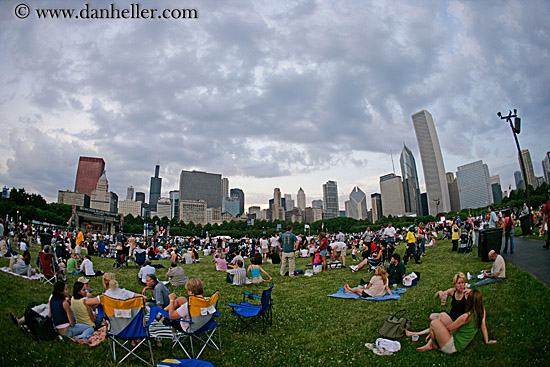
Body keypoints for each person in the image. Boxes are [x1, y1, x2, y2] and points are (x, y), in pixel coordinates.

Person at [412, 289, 497, 353]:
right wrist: (487, 341)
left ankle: (433, 344)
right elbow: (483, 326)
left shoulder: (466, 316)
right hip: (459, 340)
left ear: (469, 300)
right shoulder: (481, 311)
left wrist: (433, 332)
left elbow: (448, 329)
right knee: (441, 317)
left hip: (452, 346)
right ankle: (433, 343)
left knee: (434, 323)